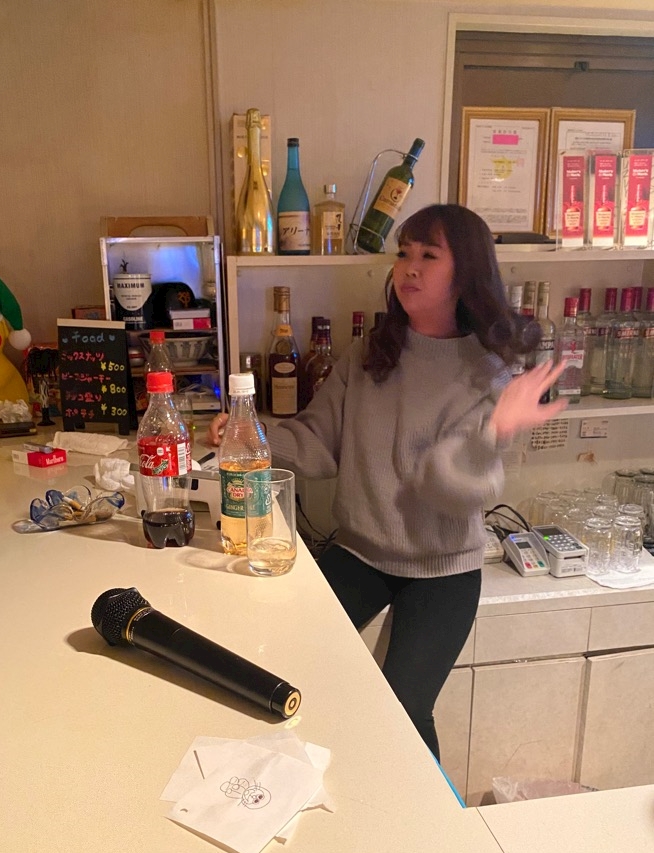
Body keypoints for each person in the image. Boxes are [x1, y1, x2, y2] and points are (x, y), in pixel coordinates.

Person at [208, 203, 567, 761]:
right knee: (281, 663)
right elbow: (319, 442)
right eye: (404, 253)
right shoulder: (372, 352)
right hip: (361, 553)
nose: (410, 268)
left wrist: (493, 433)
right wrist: (248, 436)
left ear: (466, 273)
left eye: (429, 255)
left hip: (444, 569)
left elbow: (449, 487)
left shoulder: (489, 371)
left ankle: (428, 813)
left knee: (405, 710)